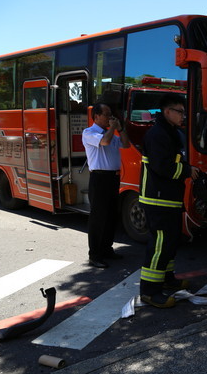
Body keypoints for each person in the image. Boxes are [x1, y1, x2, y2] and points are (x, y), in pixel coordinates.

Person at [139, 93, 200, 308]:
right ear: (167, 112)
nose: (183, 115)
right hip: (157, 199)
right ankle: (149, 290)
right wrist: (187, 170)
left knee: (170, 242)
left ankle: (167, 278)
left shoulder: (171, 132)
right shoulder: (157, 134)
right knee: (159, 244)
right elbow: (162, 166)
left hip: (168, 198)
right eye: (180, 112)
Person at [82, 102, 131, 268]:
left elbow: (126, 144)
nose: (110, 118)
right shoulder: (89, 132)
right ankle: (94, 254)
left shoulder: (111, 133)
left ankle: (106, 248)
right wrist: (112, 128)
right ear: (96, 117)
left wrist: (121, 128)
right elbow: (105, 142)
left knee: (111, 215)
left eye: (111, 115)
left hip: (113, 178)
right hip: (99, 178)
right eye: (106, 114)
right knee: (98, 218)